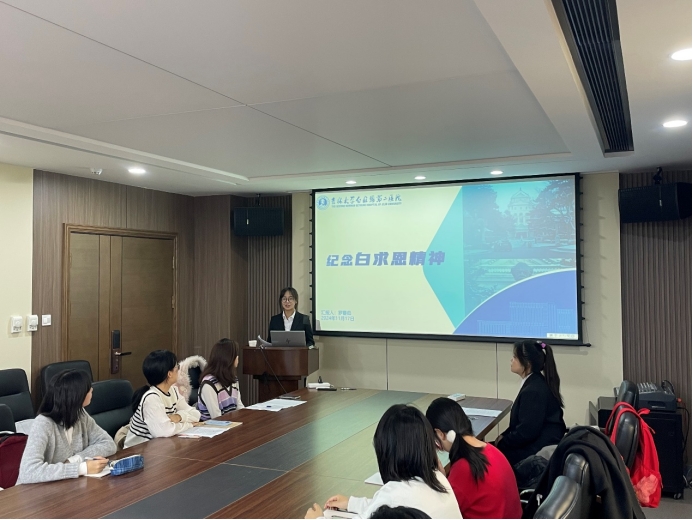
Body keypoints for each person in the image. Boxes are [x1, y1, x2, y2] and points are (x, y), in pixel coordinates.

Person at [304, 404, 461, 519]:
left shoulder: (395, 493)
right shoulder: (437, 478)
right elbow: (381, 507)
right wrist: (351, 503)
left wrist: (318, 518)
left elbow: (380, 508)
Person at [425, 397, 521, 518]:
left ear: (440, 434)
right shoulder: (491, 450)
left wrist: (441, 480)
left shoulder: (464, 468)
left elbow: (443, 512)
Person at [17, 370, 116, 484]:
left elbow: (109, 444)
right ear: (77, 396)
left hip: (68, 485)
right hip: (36, 490)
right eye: (88, 388)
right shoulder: (43, 423)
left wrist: (75, 460)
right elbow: (28, 471)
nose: (92, 390)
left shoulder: (80, 414)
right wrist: (82, 468)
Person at [496, 339, 566, 467]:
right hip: (535, 444)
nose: (511, 360)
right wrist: (504, 436)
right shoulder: (535, 382)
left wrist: (502, 443)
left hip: (535, 451)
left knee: (484, 455)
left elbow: (526, 432)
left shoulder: (533, 390)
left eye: (515, 357)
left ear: (527, 363)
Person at [124, 350, 202, 448]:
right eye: (177, 367)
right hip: (137, 452)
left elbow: (196, 414)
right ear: (169, 374)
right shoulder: (151, 398)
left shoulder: (173, 391)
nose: (178, 370)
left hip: (158, 448)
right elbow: (165, 431)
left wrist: (179, 417)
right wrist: (190, 425)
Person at [197, 338, 244, 420]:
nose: (237, 357)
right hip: (213, 426)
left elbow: (239, 407)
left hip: (231, 424)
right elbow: (216, 417)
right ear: (228, 359)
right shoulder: (209, 384)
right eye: (235, 355)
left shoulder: (233, 379)